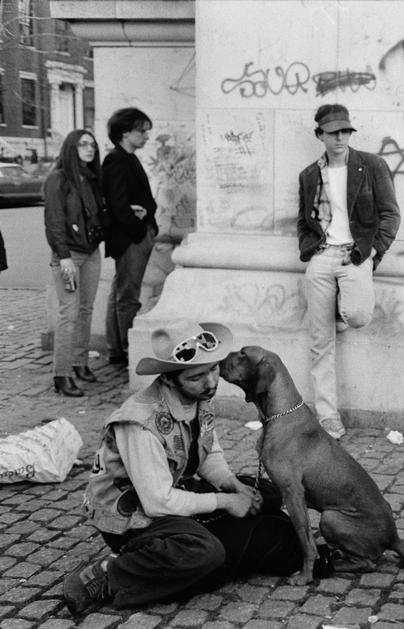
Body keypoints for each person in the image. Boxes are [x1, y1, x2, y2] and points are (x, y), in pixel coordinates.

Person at [62, 321, 302, 615]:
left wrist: (233, 485)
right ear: (170, 379)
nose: (211, 383)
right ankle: (111, 573)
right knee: (206, 553)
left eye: (214, 369)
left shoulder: (197, 397)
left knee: (268, 494)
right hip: (133, 514)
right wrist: (226, 501)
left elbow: (207, 452)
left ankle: (200, 554)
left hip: (175, 488)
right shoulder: (140, 422)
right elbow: (157, 501)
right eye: (197, 377)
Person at [296, 104, 401, 439]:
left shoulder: (371, 165)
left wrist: (369, 254)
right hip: (322, 256)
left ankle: (342, 304)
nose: (340, 138)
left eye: (345, 131)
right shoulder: (309, 175)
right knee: (320, 341)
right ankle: (328, 415)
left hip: (354, 256)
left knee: (357, 316)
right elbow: (303, 220)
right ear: (320, 136)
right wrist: (309, 249)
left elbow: (390, 215)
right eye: (332, 132)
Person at [43, 129, 107, 397]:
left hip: (91, 252)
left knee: (86, 309)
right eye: (83, 145)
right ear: (71, 147)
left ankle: (80, 363)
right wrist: (64, 256)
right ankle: (62, 374)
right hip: (69, 256)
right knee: (68, 314)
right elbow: (54, 222)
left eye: (92, 145)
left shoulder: (91, 178)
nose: (89, 149)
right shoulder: (59, 179)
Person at [102, 107, 158, 367]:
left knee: (120, 293)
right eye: (141, 130)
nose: (146, 135)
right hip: (130, 238)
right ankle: (126, 349)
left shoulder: (129, 157)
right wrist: (139, 232)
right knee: (127, 296)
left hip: (137, 234)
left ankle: (117, 349)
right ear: (125, 132)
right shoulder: (116, 160)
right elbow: (117, 204)